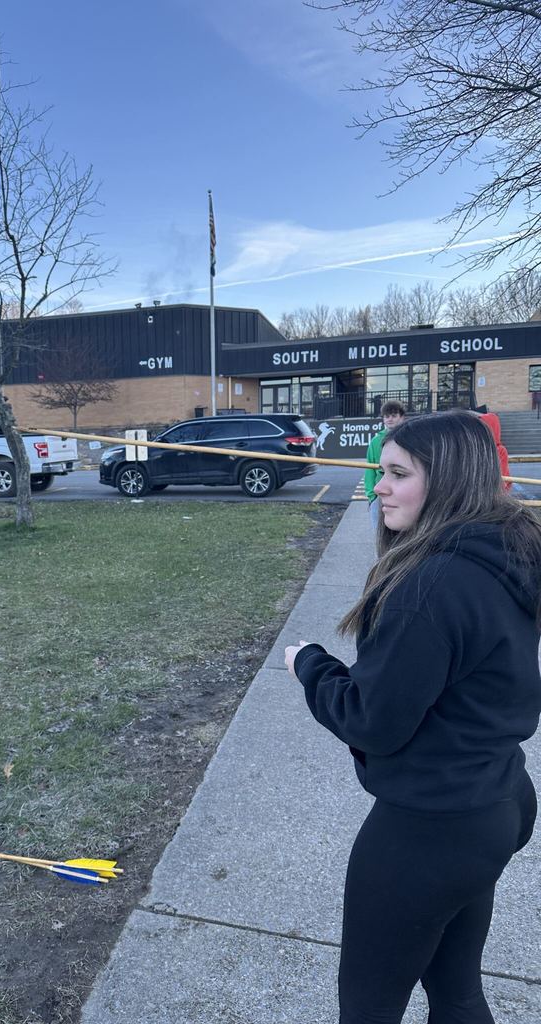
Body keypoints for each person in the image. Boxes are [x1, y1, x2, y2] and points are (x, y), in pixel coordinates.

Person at [285, 410, 541, 1024]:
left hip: (431, 832)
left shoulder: (432, 584)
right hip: (495, 807)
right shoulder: (506, 555)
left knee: (369, 1008)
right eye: (381, 471)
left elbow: (374, 721)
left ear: (447, 481)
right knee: (456, 992)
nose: (379, 486)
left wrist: (311, 667)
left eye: (398, 474)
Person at [364, 400, 405, 529]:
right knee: (379, 532)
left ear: (402, 417)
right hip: (380, 494)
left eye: (394, 415)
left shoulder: (410, 439)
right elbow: (369, 469)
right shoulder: (376, 441)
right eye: (386, 416)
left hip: (403, 492)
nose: (390, 419)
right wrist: (371, 496)